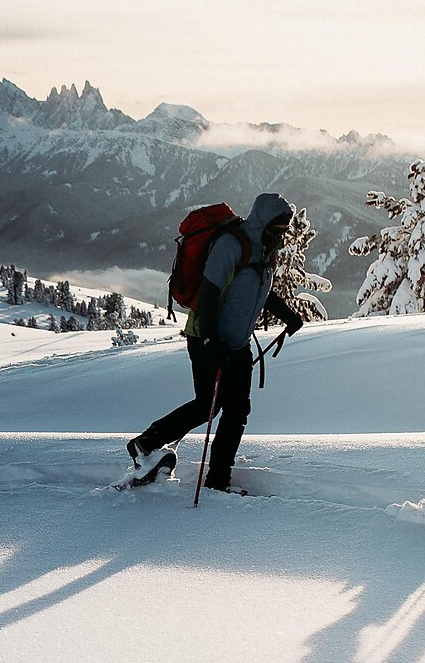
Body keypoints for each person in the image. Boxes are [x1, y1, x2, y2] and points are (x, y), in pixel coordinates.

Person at [127, 192, 304, 492]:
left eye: (286, 226)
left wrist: (288, 315)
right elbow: (208, 294)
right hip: (207, 339)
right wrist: (211, 341)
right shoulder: (232, 245)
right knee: (207, 407)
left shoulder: (265, 250)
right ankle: (145, 443)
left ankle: (218, 480)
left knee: (236, 411)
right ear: (264, 221)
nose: (283, 231)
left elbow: (260, 290)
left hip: (237, 344)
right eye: (278, 225)